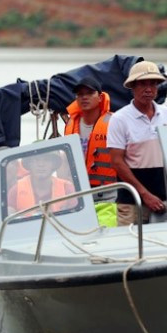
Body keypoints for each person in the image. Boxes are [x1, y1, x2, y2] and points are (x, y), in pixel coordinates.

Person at [107, 60, 167, 226]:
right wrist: (144, 194)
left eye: (153, 84)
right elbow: (117, 161)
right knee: (128, 245)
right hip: (131, 200)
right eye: (142, 84)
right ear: (132, 87)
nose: (148, 89)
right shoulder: (119, 119)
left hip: (165, 196)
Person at [64, 76, 117, 227]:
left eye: (89, 93)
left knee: (106, 234)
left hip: (107, 194)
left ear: (100, 97)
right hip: (77, 192)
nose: (84, 97)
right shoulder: (70, 124)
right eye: (80, 94)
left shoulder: (114, 123)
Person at [7, 151, 77, 215]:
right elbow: (8, 223)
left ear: (54, 164)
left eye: (46, 160)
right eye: (35, 160)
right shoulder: (16, 190)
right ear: (29, 164)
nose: (41, 164)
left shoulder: (67, 188)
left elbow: (76, 217)